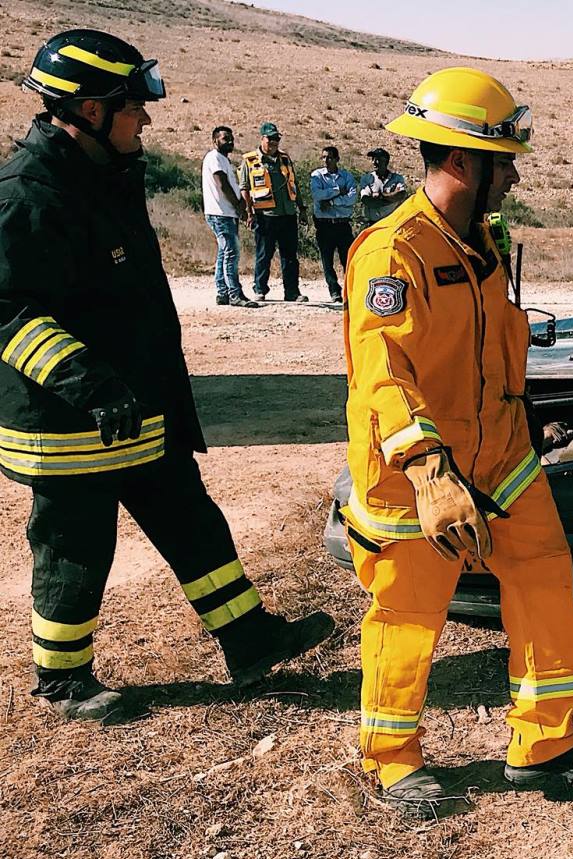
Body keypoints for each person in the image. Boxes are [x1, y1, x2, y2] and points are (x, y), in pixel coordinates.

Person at [1, 29, 333, 723]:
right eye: (133, 107)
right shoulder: (27, 195)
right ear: (90, 110)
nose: (146, 119)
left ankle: (249, 640)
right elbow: (7, 310)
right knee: (75, 546)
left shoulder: (100, 172)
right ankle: (62, 679)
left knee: (189, 518)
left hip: (136, 403)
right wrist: (90, 384)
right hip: (69, 418)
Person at [342, 66, 573, 816]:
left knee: (543, 574)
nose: (512, 178)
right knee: (407, 613)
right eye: (505, 161)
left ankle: (546, 743)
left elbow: (489, 344)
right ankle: (393, 759)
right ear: (463, 160)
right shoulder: (390, 251)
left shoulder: (484, 242)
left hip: (501, 459)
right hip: (417, 474)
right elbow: (383, 373)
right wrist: (429, 470)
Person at [238, 122, 305, 302]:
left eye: (276, 138)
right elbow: (244, 188)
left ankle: (292, 292)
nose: (274, 142)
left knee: (290, 256)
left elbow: (294, 184)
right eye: (270, 138)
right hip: (265, 216)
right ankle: (260, 289)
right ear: (262, 138)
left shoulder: (285, 159)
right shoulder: (250, 160)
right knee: (263, 255)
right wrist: (249, 213)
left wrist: (302, 208)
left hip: (288, 214)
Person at [201, 126, 259, 307]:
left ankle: (223, 292)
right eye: (226, 138)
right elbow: (222, 185)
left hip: (226, 212)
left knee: (224, 253)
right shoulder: (214, 158)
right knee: (231, 253)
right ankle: (235, 294)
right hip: (220, 213)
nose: (230, 142)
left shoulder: (224, 160)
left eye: (231, 138)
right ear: (215, 140)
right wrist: (239, 207)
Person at [309, 145, 357, 302]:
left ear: (337, 159)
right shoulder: (317, 175)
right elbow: (317, 194)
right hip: (324, 224)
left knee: (348, 259)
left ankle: (350, 290)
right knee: (327, 259)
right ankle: (334, 291)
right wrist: (337, 190)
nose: (326, 161)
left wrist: (331, 201)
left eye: (329, 157)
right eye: (323, 157)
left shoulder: (347, 176)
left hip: (342, 224)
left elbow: (352, 198)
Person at [358, 148, 407, 224]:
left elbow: (401, 195)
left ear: (386, 161)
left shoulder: (397, 178)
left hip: (391, 224)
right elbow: (366, 200)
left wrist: (381, 196)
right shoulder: (367, 179)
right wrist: (391, 199)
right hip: (372, 223)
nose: (374, 162)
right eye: (373, 159)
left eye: (377, 159)